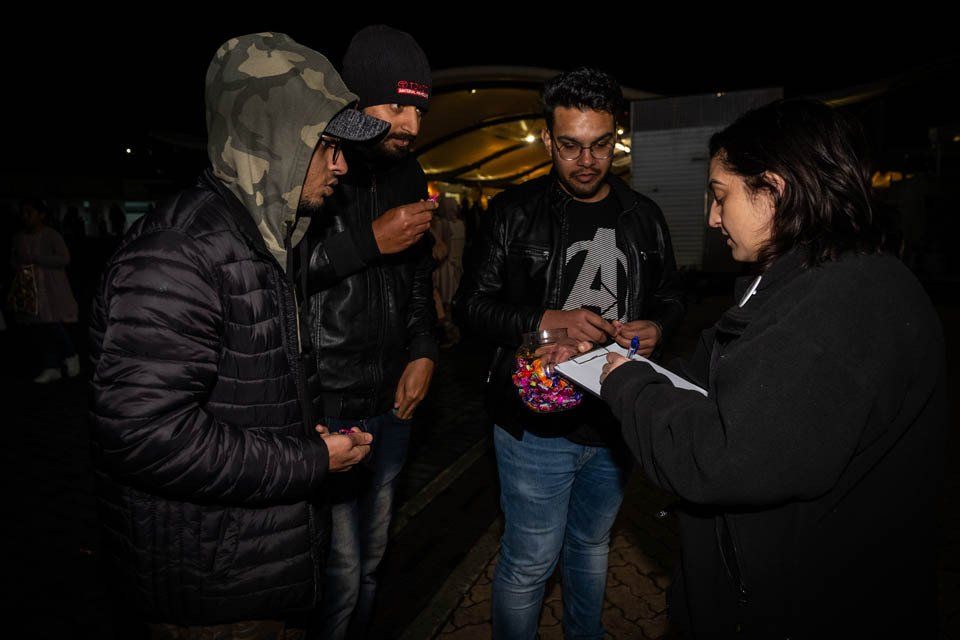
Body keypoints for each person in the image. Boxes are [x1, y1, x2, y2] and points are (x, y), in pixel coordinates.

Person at [598, 99, 948, 637]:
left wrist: (627, 383)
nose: (713, 218)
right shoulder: (799, 278)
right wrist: (629, 361)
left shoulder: (840, 303)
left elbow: (719, 458)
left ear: (774, 191)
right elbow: (715, 381)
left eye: (721, 196)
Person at [89, 33, 384, 638]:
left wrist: (303, 439)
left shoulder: (263, 239)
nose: (341, 165)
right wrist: (308, 459)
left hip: (251, 568)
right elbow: (144, 435)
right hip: (209, 591)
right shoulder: (177, 253)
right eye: (327, 145)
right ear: (274, 139)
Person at [454, 67, 684, 639]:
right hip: (535, 427)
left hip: (614, 419)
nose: (586, 161)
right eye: (570, 146)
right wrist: (545, 319)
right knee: (530, 562)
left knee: (591, 545)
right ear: (546, 138)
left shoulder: (643, 216)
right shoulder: (512, 211)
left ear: (616, 137)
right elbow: (470, 307)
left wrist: (657, 326)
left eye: (600, 145)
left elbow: (671, 297)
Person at [304, 25, 438, 640]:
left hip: (392, 402)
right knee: (339, 571)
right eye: (395, 106)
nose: (410, 124)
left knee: (373, 560)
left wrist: (424, 350)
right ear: (355, 102)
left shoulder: (409, 172)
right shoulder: (318, 162)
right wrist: (367, 241)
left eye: (419, 109)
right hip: (329, 404)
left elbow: (418, 278)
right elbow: (282, 273)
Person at [10, 198, 80, 383]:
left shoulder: (51, 235)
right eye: (24, 213)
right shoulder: (19, 237)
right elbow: (15, 259)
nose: (25, 217)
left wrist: (37, 259)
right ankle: (51, 365)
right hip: (29, 285)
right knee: (39, 327)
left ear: (41, 215)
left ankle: (69, 354)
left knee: (51, 322)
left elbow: (64, 258)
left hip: (50, 286)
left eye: (30, 212)